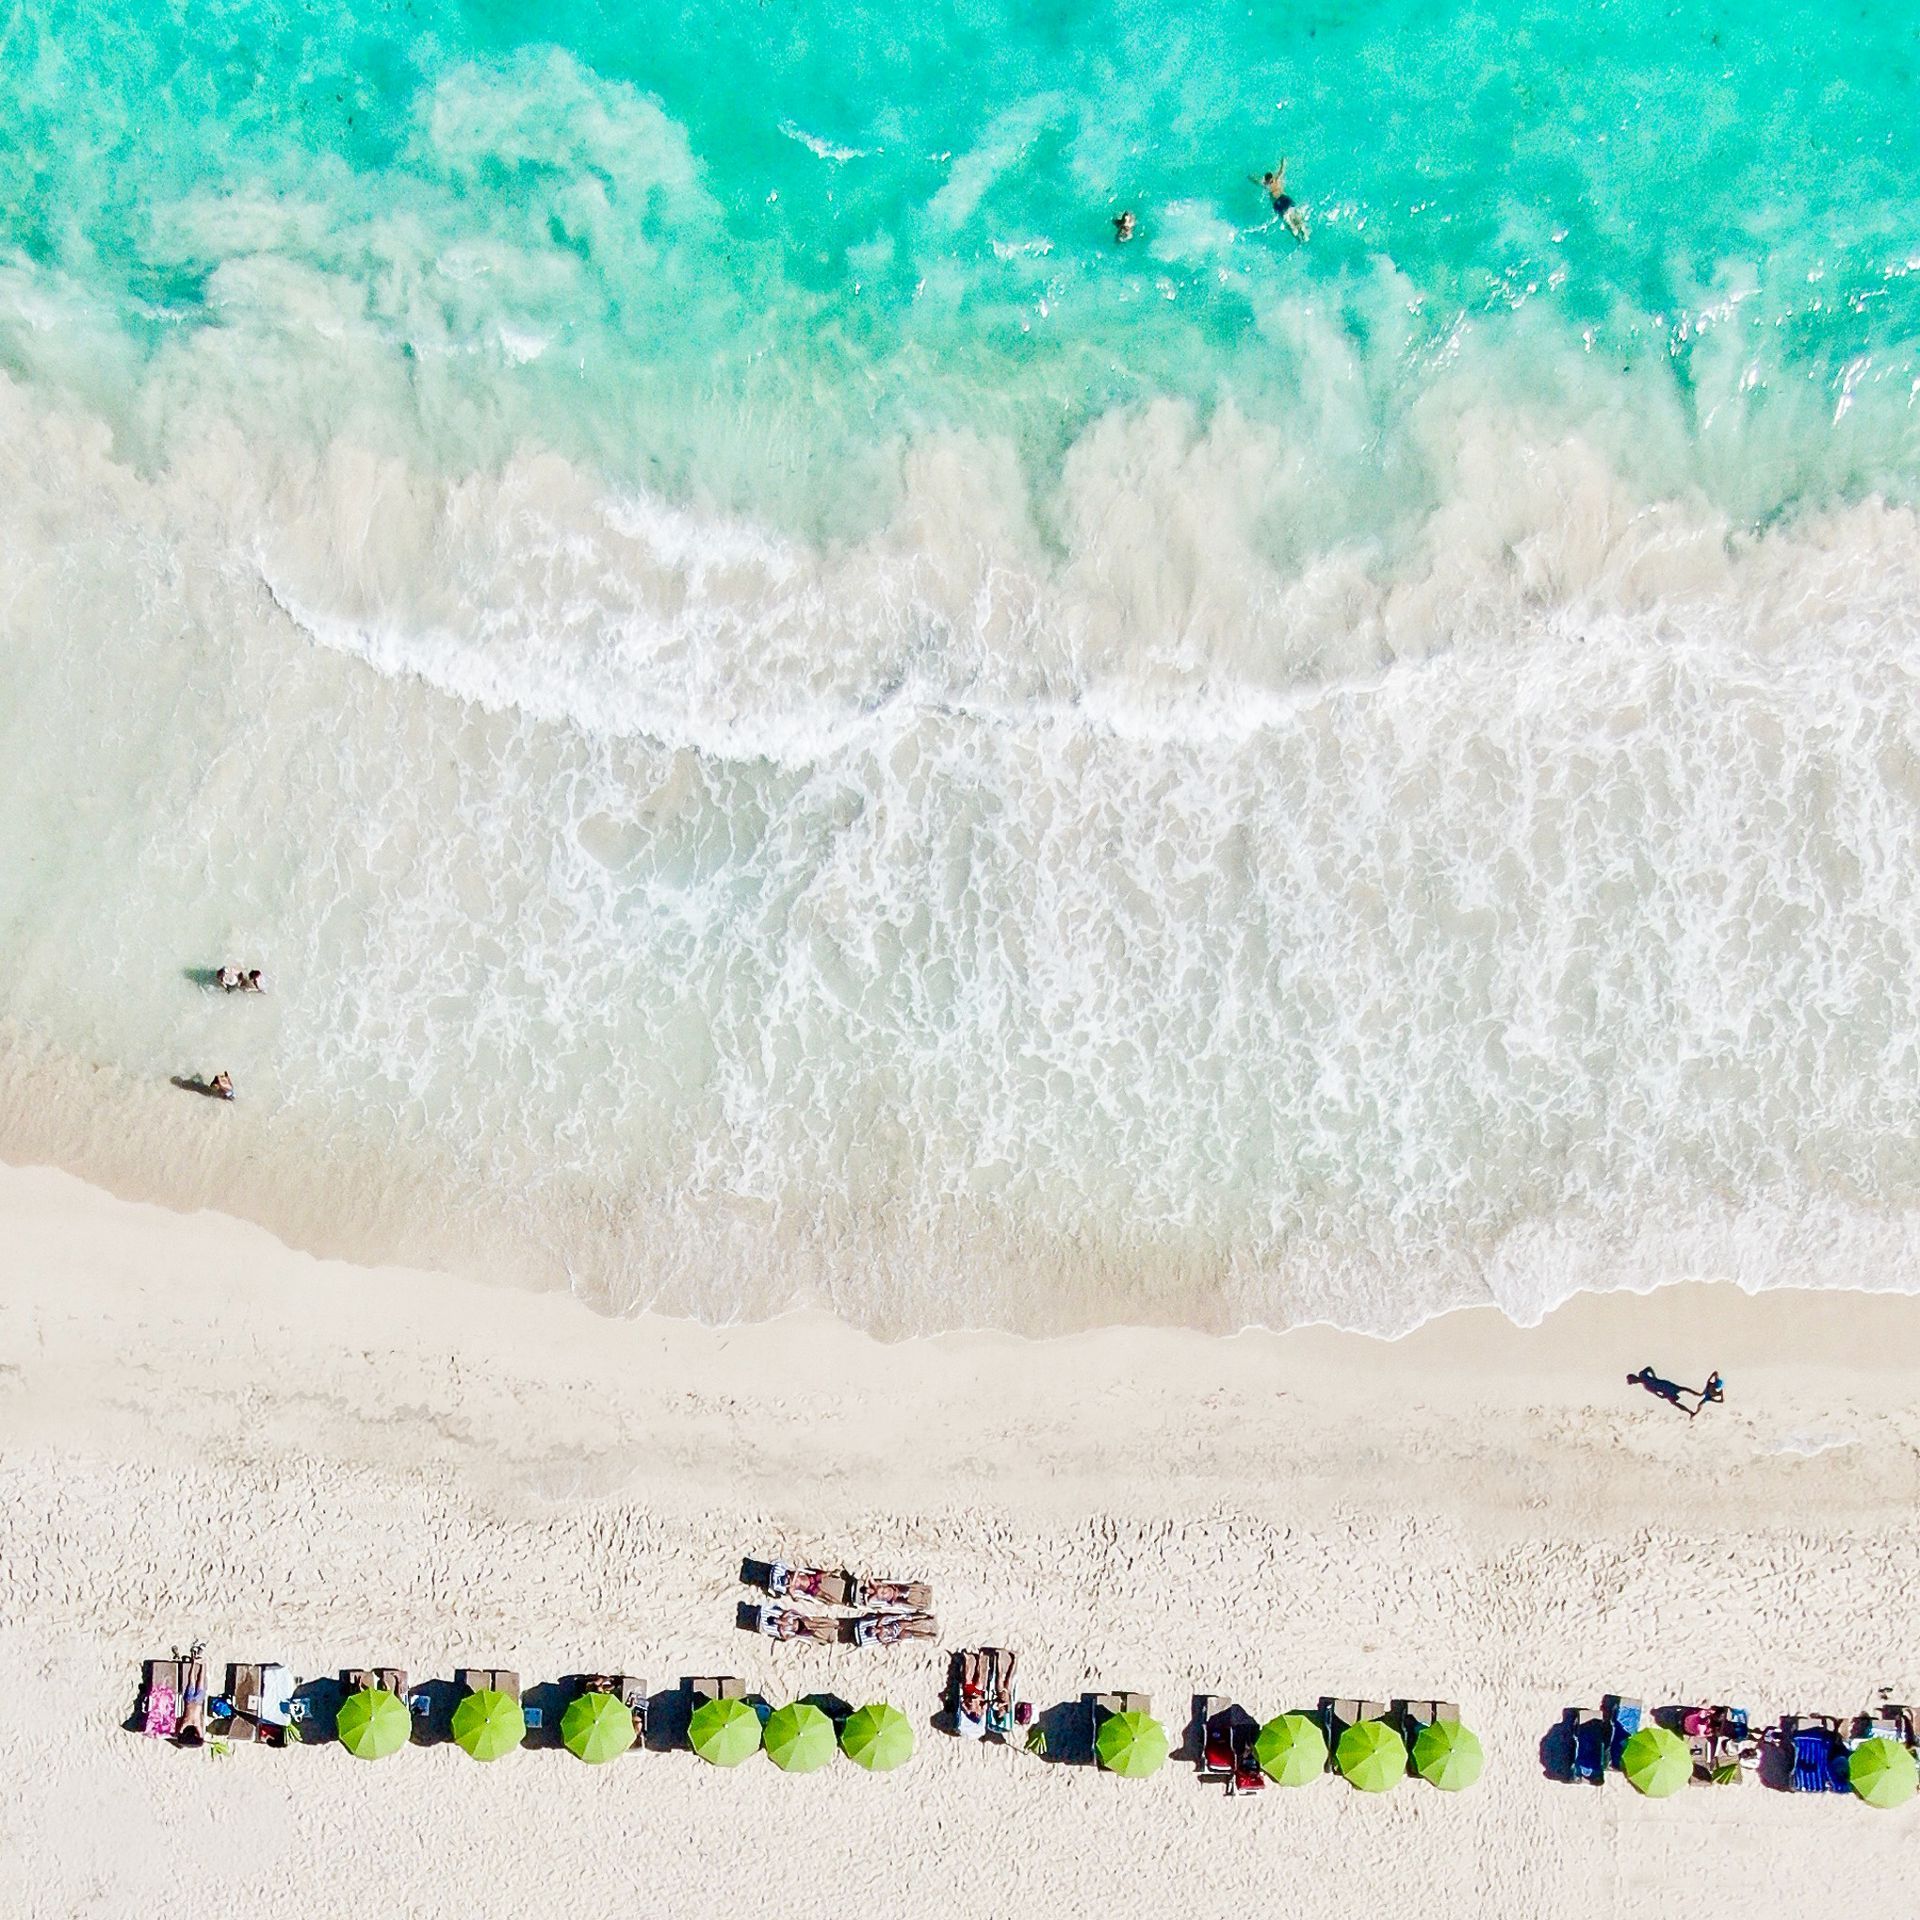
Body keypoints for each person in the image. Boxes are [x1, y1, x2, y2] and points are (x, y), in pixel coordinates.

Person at [1256, 159, 1310, 241]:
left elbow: (1281, 170)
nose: (1270, 182)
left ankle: (1300, 235)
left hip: (1281, 202)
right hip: (1281, 202)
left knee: (1291, 220)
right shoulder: (1271, 181)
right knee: (1291, 220)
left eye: (1269, 180)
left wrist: (1283, 162)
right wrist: (1283, 162)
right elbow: (1281, 171)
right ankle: (1300, 235)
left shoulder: (1271, 182)